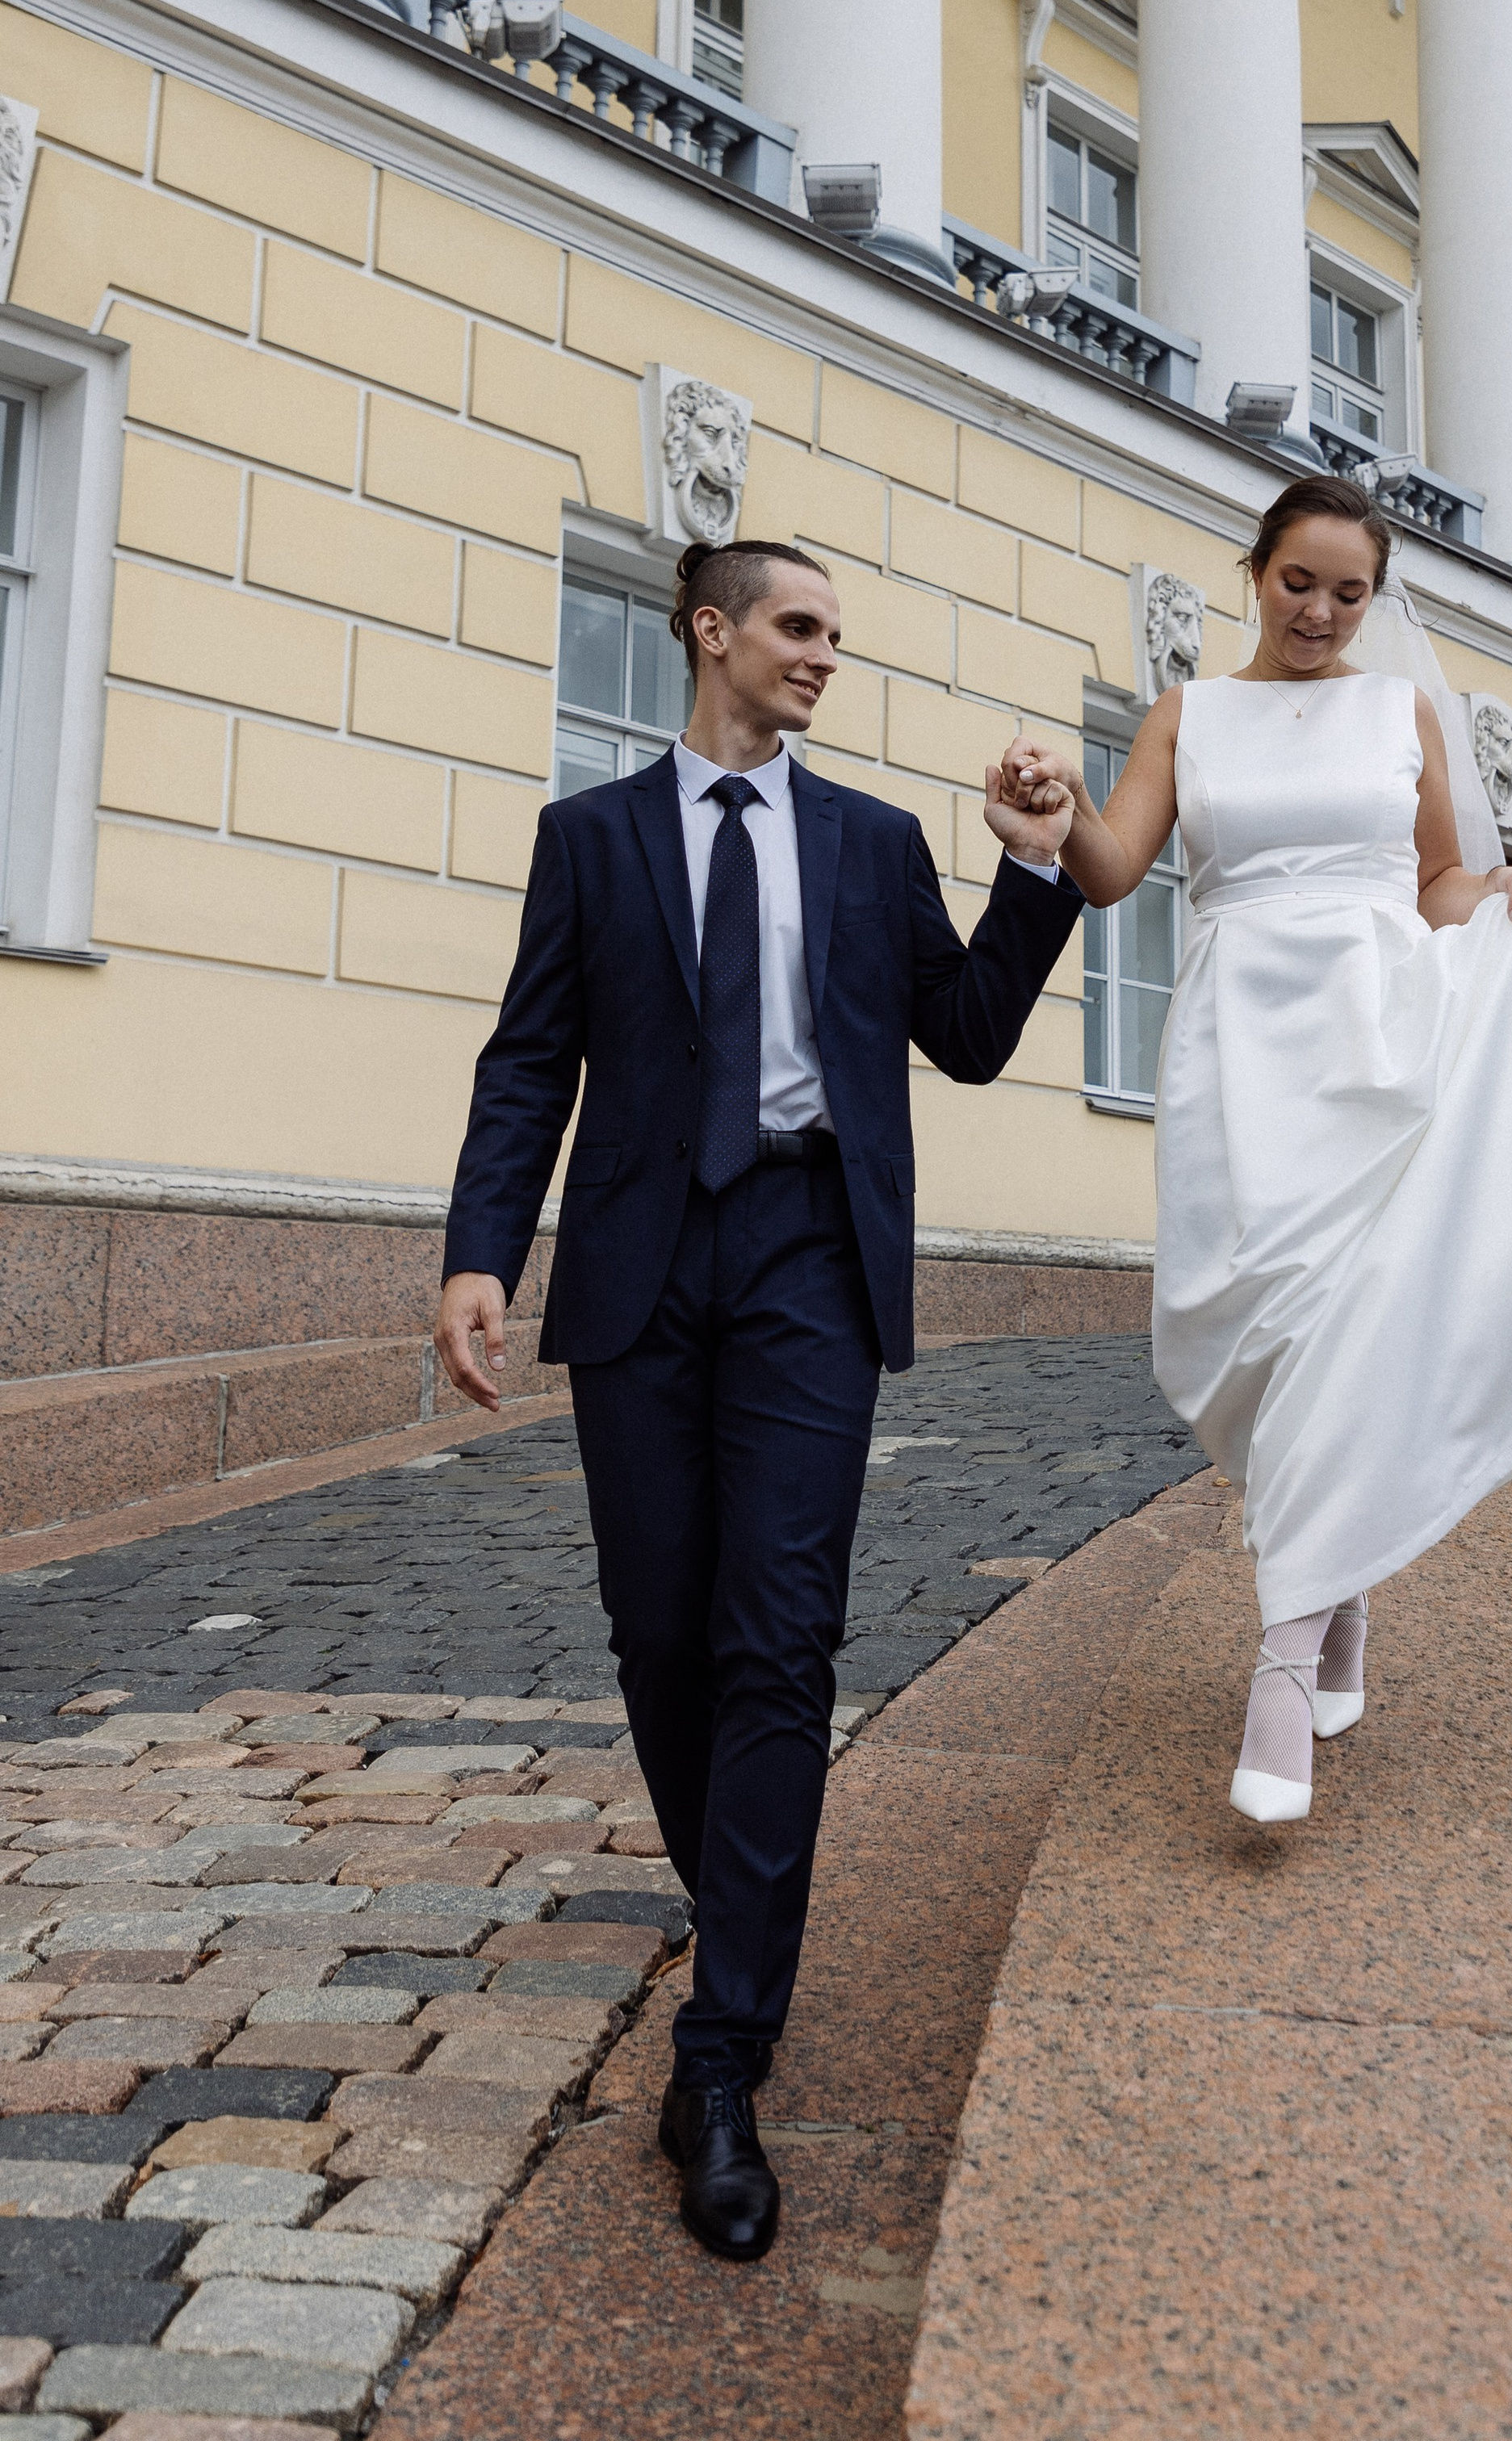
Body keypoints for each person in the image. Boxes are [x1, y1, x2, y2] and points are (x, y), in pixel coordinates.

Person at [434, 538, 1081, 2263]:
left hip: (808, 1254)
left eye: (833, 637)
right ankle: (740, 1906)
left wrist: (1030, 875)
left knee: (776, 1639)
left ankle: (720, 2055)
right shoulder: (591, 839)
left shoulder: (869, 843)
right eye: (796, 628)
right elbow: (529, 1058)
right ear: (708, 633)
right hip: (643, 1261)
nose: (820, 658)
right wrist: (480, 1247)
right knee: (660, 1632)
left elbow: (966, 1036)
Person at [1000, 475, 1512, 1827]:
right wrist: (1051, 819)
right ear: (1255, 573)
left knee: (1344, 1322)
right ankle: (1344, 1595)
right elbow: (1111, 869)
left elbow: (1435, 877)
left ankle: (1282, 1662)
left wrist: (1495, 893)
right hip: (1237, 1049)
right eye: (1299, 584)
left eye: (1350, 592)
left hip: (1378, 1040)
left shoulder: (1408, 712)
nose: (1324, 612)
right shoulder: (1186, 714)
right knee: (1262, 1333)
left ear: (1375, 601)